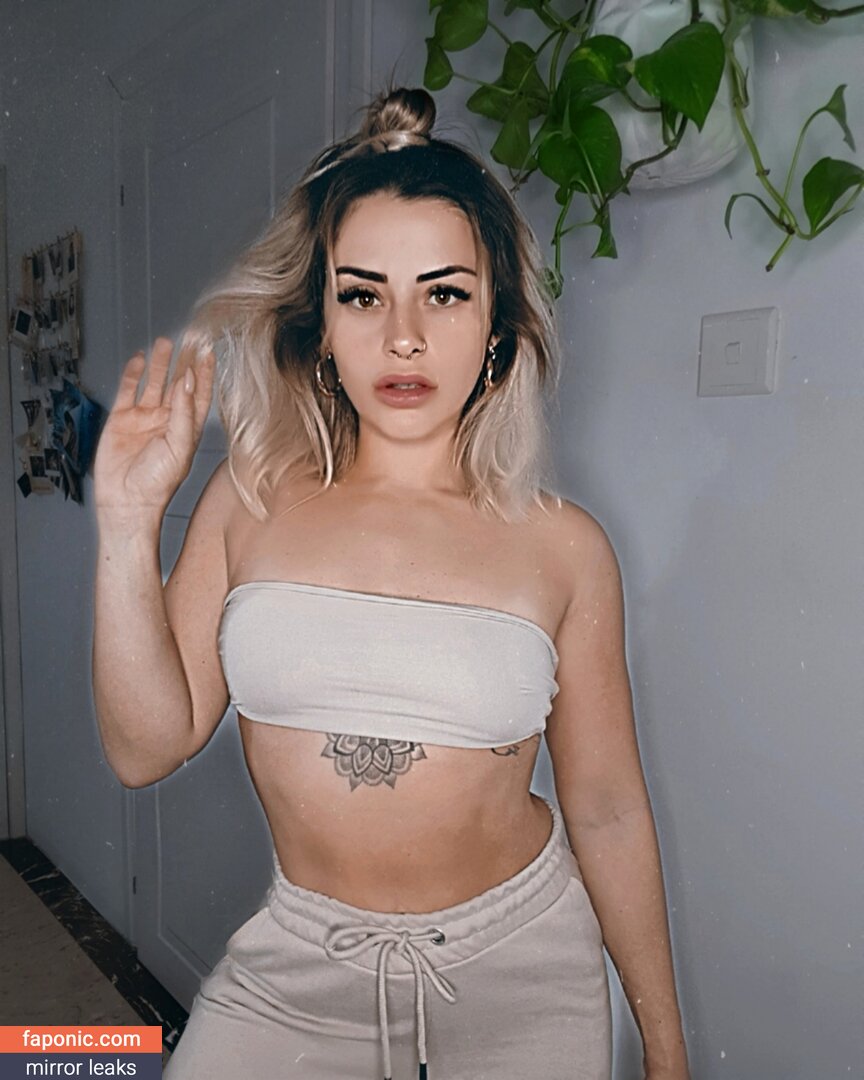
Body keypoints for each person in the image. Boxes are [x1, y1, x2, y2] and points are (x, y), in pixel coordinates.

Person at [92, 87, 689, 1080]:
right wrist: (126, 523)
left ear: (497, 322)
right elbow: (144, 748)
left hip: (521, 972)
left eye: (444, 293)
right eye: (363, 295)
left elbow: (608, 806)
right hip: (298, 967)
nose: (403, 336)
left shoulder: (566, 548)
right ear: (320, 324)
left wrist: (666, 1050)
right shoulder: (250, 500)